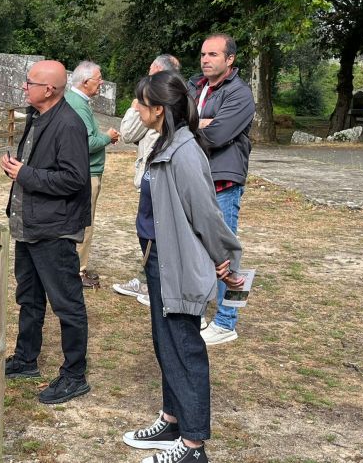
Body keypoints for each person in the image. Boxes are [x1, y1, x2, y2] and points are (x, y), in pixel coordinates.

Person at [121, 70, 244, 463]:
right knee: (166, 344)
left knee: (184, 347)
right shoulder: (165, 141)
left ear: (158, 110)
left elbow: (207, 214)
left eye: (141, 103)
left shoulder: (186, 151)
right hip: (159, 260)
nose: (136, 108)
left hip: (177, 265)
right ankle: (173, 420)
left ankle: (193, 446)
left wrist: (226, 259)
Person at [0, 60, 92, 405]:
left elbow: (73, 179)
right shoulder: (38, 116)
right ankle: (26, 359)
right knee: (30, 298)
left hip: (53, 230)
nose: (25, 87)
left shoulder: (68, 123)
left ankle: (74, 375)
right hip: (29, 226)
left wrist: (24, 174)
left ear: (49, 89)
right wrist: (18, 171)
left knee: (67, 304)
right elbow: (36, 167)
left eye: (29, 83)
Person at [188, 34, 255, 346]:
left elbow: (217, 135)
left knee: (226, 253)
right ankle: (199, 312)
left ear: (230, 60)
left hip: (223, 182)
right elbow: (171, 122)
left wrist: (194, 124)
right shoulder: (196, 86)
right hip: (195, 179)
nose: (205, 59)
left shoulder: (240, 94)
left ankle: (227, 322)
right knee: (197, 250)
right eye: (203, 54)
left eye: (213, 54)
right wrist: (202, 122)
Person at [112, 54, 181, 306]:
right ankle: (148, 280)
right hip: (153, 171)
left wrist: (134, 105)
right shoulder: (177, 97)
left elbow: (128, 132)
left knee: (153, 229)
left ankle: (154, 283)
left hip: (156, 172)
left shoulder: (156, 102)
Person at [65, 61, 119, 289]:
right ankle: (78, 270)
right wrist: (108, 136)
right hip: (87, 173)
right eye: (99, 79)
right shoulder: (78, 104)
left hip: (84, 172)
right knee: (85, 224)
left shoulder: (75, 100)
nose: (102, 82)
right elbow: (86, 143)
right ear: (86, 82)